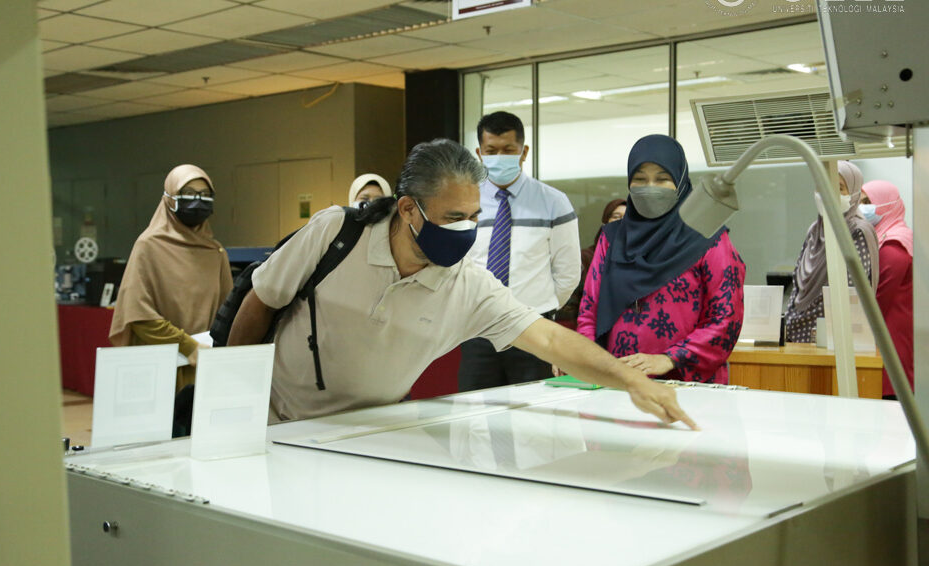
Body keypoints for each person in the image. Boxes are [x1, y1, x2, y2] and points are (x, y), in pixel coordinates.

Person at [228, 138, 696, 429]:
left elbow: (551, 337)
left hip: (368, 432)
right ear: (409, 208)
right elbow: (260, 302)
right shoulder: (335, 233)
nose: (466, 230)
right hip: (279, 424)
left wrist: (627, 380)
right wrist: (234, 401)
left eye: (474, 218)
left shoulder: (468, 285)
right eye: (453, 218)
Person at [575, 134, 745, 384]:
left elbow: (725, 317)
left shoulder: (708, 238)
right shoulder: (612, 239)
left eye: (662, 179)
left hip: (685, 385)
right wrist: (584, 358)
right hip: (618, 383)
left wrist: (670, 358)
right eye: (640, 179)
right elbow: (589, 311)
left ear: (680, 181)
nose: (650, 187)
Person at [458, 111, 581, 391]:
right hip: (479, 331)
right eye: (491, 151)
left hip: (533, 331)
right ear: (479, 153)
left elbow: (568, 273)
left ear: (523, 152)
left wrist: (537, 310)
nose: (499, 157)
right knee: (474, 417)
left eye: (508, 150)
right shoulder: (465, 203)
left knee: (532, 420)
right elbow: (458, 266)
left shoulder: (553, 202)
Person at [110, 164, 233, 392]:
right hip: (159, 369)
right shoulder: (149, 246)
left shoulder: (215, 253)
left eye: (205, 195)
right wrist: (187, 346)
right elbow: (138, 315)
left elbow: (228, 312)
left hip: (203, 368)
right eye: (188, 194)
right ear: (169, 199)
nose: (197, 201)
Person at [783, 160, 878, 343]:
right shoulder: (815, 230)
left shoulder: (858, 232)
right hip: (795, 335)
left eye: (839, 187)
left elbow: (848, 291)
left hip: (833, 340)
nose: (828, 192)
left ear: (854, 193)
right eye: (822, 185)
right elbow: (797, 283)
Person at [860, 180, 913, 398]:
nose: (862, 208)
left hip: (890, 344)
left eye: (867, 202)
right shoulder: (885, 238)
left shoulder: (894, 245)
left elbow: (877, 300)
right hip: (886, 340)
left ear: (887, 204)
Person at [557, 198, 626, 323]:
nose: (622, 222)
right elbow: (568, 306)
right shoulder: (585, 258)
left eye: (627, 218)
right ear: (605, 222)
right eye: (616, 217)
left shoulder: (639, 260)